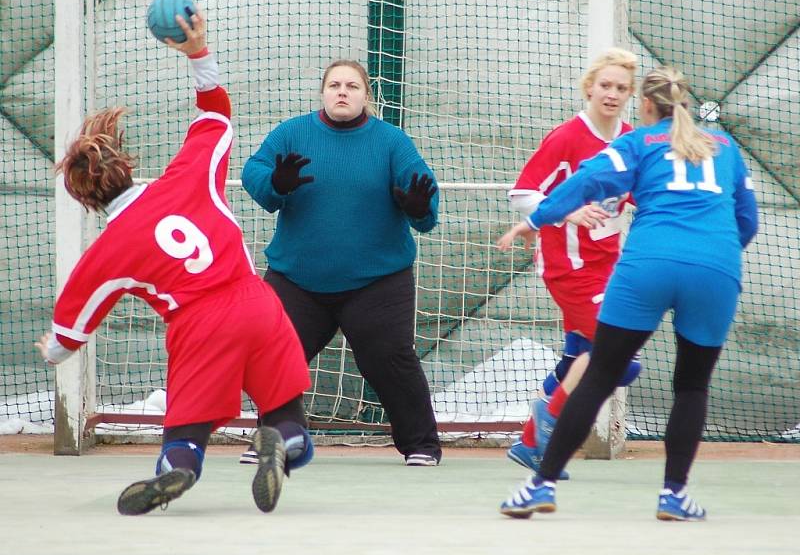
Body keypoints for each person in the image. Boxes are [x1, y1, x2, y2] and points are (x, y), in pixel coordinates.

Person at [35, 9, 314, 515]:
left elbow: (72, 328)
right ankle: (284, 441)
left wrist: (53, 349)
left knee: (185, 431)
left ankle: (179, 467)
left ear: (87, 200)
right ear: (126, 164)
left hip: (199, 324)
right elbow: (216, 116)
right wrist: (198, 54)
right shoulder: (187, 177)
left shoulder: (108, 250)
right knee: (283, 409)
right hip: (256, 300)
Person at [498, 66, 758, 521]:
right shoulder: (727, 148)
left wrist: (537, 220)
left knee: (601, 372)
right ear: (685, 103)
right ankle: (673, 495)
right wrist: (712, 255)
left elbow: (583, 183)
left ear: (645, 105)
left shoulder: (636, 143)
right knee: (692, 386)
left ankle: (540, 486)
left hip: (648, 265)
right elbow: (747, 221)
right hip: (716, 269)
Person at [240, 60, 442, 466]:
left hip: (377, 282)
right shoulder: (291, 133)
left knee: (391, 360)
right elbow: (253, 173)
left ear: (367, 94)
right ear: (323, 93)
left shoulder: (391, 142)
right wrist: (274, 185)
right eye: (334, 85)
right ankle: (276, 441)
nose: (342, 92)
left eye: (352, 85)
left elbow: (426, 200)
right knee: (273, 356)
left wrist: (421, 207)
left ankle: (422, 446)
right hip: (297, 279)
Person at [497, 48, 643, 478]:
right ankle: (548, 422)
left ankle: (530, 444)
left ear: (631, 94)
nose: (612, 94)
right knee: (618, 357)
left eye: (621, 88)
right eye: (605, 85)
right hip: (569, 268)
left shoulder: (631, 141)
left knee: (579, 358)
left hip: (608, 267)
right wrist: (568, 210)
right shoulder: (566, 138)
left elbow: (638, 193)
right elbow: (522, 193)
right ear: (589, 88)